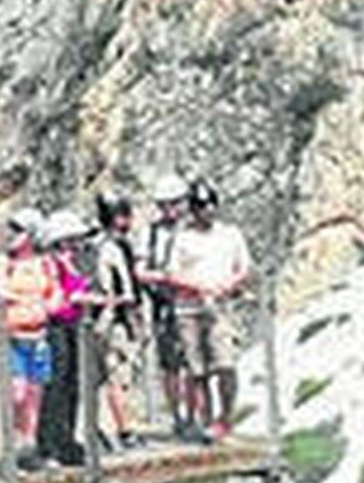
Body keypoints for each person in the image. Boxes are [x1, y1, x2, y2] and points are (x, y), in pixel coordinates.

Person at [166, 180, 253, 441]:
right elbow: (172, 274)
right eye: (202, 206)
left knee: (225, 364)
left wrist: (228, 285)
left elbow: (244, 268)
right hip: (188, 309)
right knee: (197, 369)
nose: (208, 211)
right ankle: (207, 421)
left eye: (211, 204)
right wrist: (198, 286)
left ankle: (226, 417)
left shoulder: (231, 234)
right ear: (193, 210)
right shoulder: (182, 238)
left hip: (220, 307)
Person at [0, 207, 61, 469]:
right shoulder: (4, 263)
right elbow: (1, 291)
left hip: (39, 335)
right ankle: (11, 443)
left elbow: (55, 293)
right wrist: (30, 301)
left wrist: (48, 306)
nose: (13, 236)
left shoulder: (45, 263)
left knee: (34, 394)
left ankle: (28, 447)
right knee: (16, 393)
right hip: (13, 336)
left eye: (19, 231)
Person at [39, 209, 93, 466]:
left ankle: (67, 438)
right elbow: (56, 296)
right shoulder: (51, 263)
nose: (78, 244)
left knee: (73, 382)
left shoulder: (74, 262)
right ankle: (49, 443)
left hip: (74, 324)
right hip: (55, 325)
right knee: (56, 383)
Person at [138, 173, 190, 437]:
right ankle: (178, 417)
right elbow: (140, 270)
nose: (168, 210)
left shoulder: (198, 228)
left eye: (173, 204)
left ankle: (196, 415)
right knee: (170, 364)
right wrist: (164, 278)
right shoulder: (151, 233)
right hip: (167, 305)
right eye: (163, 205)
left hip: (195, 302)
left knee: (196, 363)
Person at [92, 195, 143, 450]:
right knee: (119, 375)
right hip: (113, 320)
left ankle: (97, 427)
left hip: (100, 320)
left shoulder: (94, 243)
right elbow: (124, 288)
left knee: (101, 376)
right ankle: (126, 430)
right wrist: (133, 316)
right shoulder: (114, 248)